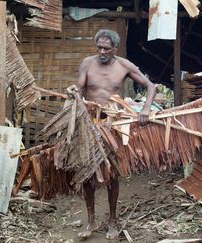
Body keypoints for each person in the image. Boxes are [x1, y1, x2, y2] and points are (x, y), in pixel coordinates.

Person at [75, 29, 156, 239]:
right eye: (99, 47)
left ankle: (112, 219)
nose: (102, 51)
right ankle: (91, 219)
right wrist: (73, 93)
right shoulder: (87, 63)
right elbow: (78, 88)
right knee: (87, 174)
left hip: (113, 126)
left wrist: (145, 109)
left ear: (115, 49)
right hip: (90, 123)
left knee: (111, 174)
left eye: (106, 48)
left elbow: (150, 86)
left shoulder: (124, 65)